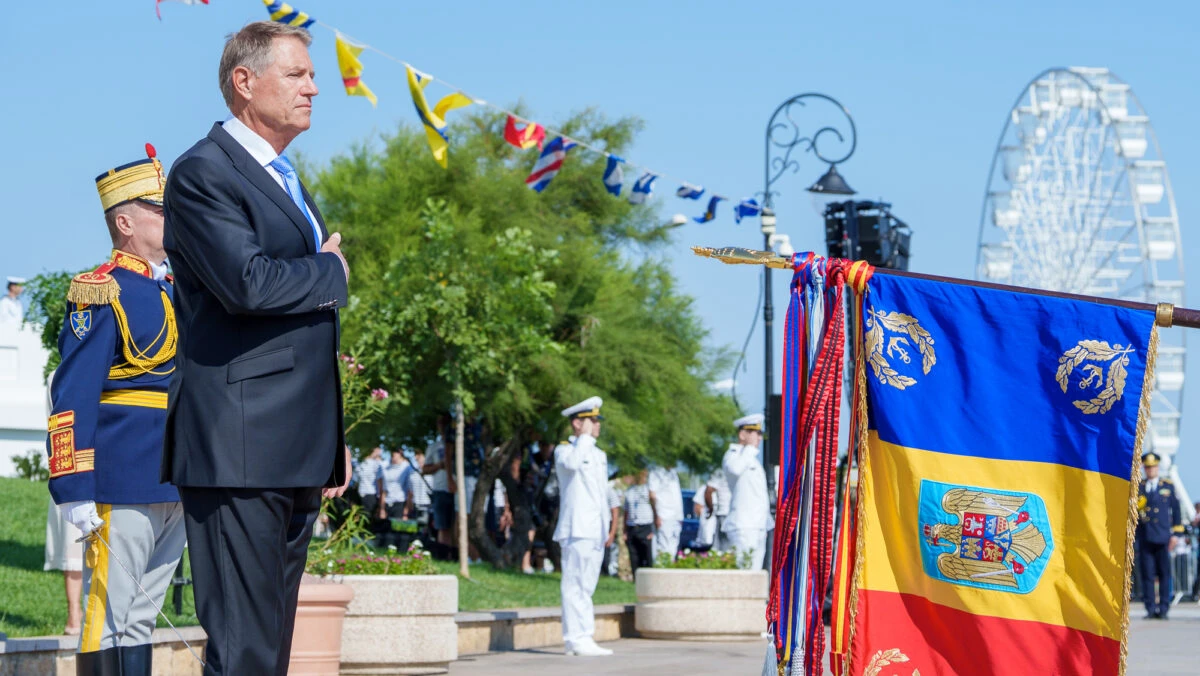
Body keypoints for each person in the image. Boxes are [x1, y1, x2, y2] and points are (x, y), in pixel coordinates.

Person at [161, 22, 352, 674]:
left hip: (294, 446)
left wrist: (333, 442)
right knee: (243, 649)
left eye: (312, 75)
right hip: (238, 447)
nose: (314, 88)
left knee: (268, 650)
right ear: (245, 83)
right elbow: (247, 282)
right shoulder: (203, 173)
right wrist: (332, 274)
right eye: (298, 74)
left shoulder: (284, 177)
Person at [46, 147, 186, 673]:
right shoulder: (101, 290)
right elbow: (73, 393)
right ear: (124, 221)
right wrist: (74, 487)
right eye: (160, 209)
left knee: (142, 620)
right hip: (122, 473)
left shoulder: (175, 288)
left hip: (175, 473)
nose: (170, 217)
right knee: (106, 617)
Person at [554, 396, 614, 657]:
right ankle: (576, 638)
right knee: (574, 584)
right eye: (592, 421)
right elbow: (572, 465)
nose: (597, 426)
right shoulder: (565, 450)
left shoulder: (598, 455)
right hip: (576, 527)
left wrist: (607, 527)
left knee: (587, 586)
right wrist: (585, 438)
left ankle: (583, 636)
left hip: (594, 528)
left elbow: (601, 494)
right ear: (577, 423)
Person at [1137, 451, 1183, 619]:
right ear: (1144, 468)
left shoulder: (1167, 486)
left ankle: (1163, 608)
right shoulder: (1139, 487)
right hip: (1145, 536)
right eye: (1148, 467)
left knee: (1164, 574)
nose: (1151, 470)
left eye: (1153, 467)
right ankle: (1150, 608)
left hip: (1163, 537)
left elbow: (1176, 511)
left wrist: (1176, 534)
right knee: (1147, 574)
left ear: (1157, 467)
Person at [723, 413, 771, 571]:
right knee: (744, 572)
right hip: (743, 525)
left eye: (760, 434)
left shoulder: (752, 460)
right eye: (755, 433)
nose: (759, 438)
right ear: (742, 434)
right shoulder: (733, 455)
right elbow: (735, 470)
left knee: (755, 575)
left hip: (757, 526)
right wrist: (749, 448)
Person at [425, 416, 455, 548]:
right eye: (440, 423)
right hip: (440, 489)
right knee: (442, 525)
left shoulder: (459, 445)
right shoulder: (433, 447)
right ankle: (443, 552)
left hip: (458, 489)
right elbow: (425, 469)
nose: (443, 426)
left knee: (456, 524)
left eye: (445, 422)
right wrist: (439, 465)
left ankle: (455, 554)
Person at [648, 464, 684, 562]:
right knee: (663, 548)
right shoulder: (656, 472)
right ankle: (660, 573)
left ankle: (669, 573)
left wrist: (679, 516)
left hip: (676, 517)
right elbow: (652, 496)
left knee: (673, 549)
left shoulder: (673, 473)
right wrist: (656, 516)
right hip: (664, 515)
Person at [624, 468, 655, 575]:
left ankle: (649, 578)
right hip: (632, 525)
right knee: (634, 555)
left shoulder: (648, 490)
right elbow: (626, 512)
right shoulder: (629, 491)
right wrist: (625, 531)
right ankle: (635, 579)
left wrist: (653, 529)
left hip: (645, 525)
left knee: (646, 555)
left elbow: (654, 507)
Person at [355, 446, 386, 521]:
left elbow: (380, 485)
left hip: (371, 496)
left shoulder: (377, 464)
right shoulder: (361, 463)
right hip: (360, 495)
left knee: (368, 520)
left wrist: (381, 504)